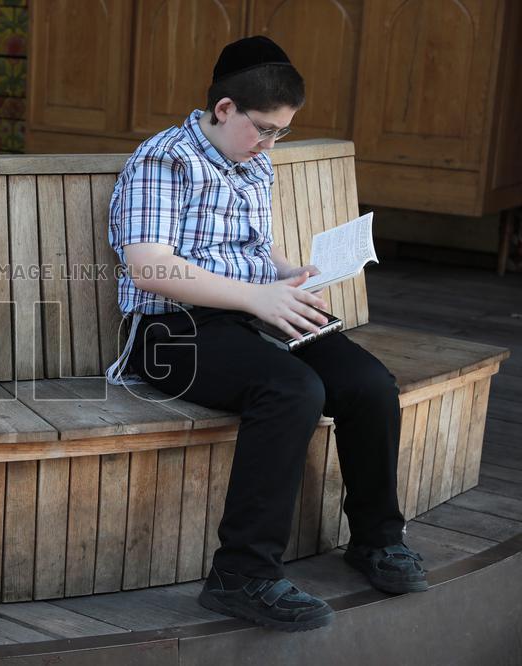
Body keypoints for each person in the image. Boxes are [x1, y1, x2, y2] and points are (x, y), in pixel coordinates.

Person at [106, 36, 427, 632]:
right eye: (264, 128)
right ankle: (241, 574)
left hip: (255, 312)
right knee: (292, 389)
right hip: (171, 331)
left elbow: (249, 246)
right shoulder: (164, 160)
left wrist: (287, 273)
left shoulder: (252, 159)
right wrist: (258, 295)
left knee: (369, 383)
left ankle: (377, 538)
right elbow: (149, 265)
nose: (270, 143)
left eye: (281, 132)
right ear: (224, 109)